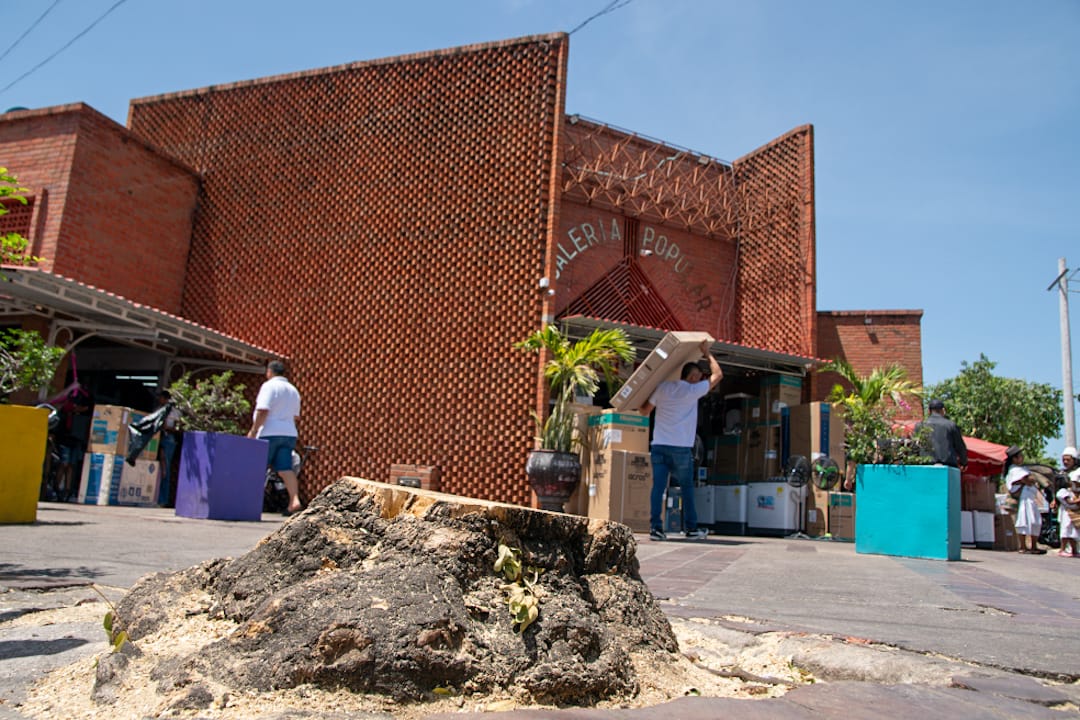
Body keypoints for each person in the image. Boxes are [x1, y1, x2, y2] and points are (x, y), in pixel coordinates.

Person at [639, 340, 722, 541]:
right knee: (687, 488)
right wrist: (707, 353)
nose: (700, 379)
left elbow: (644, 411)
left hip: (659, 445)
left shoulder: (663, 387)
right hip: (681, 449)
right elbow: (718, 375)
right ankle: (691, 528)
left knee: (658, 488)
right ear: (692, 376)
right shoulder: (693, 391)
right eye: (698, 376)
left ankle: (656, 529)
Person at [247, 360, 302, 515]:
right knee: (285, 468)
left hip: (269, 431)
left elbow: (263, 410)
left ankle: (252, 502)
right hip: (289, 432)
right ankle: (294, 500)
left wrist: (253, 430)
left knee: (258, 467)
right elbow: (296, 416)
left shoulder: (269, 386)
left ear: (269, 372)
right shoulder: (293, 390)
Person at [1004, 445, 1045, 554]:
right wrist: (1028, 479)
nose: (1022, 457)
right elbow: (1029, 479)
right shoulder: (1015, 470)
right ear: (1014, 458)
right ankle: (1023, 546)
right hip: (1023, 499)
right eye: (1020, 455)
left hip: (1030, 499)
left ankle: (1033, 546)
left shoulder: (1023, 469)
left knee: (1034, 521)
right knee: (1024, 522)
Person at [55, 386, 92, 502]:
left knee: (71, 466)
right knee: (64, 464)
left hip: (75, 440)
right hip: (65, 440)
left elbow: (86, 408)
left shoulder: (79, 413)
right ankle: (57, 489)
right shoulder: (65, 411)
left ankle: (67, 490)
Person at [915, 399, 967, 469]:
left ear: (928, 411)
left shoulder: (920, 426)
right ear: (943, 410)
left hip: (925, 468)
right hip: (948, 468)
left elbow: (914, 447)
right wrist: (964, 463)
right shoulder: (951, 425)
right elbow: (960, 447)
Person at [157, 390, 182, 507]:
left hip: (168, 439)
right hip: (158, 437)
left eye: (161, 398)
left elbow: (179, 428)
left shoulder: (174, 412)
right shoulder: (158, 410)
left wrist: (167, 428)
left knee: (165, 468)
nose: (159, 400)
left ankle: (162, 500)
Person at [1056, 446, 1080, 558]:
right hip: (1066, 504)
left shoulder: (1078, 472)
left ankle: (1074, 550)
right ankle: (1062, 549)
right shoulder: (1061, 473)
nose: (1065, 462)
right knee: (1065, 527)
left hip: (1075, 503)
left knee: (1073, 528)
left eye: (1068, 460)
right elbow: (1056, 488)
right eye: (1064, 460)